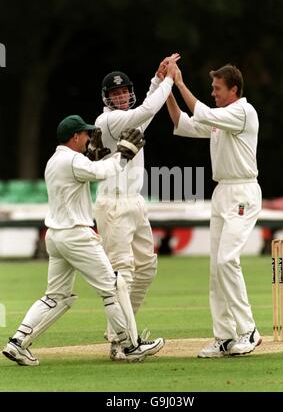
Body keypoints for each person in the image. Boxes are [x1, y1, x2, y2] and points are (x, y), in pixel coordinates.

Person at [2, 114, 164, 366]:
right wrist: (124, 153)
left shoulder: (54, 160)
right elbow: (103, 172)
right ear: (75, 136)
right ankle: (130, 345)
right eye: (86, 134)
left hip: (55, 236)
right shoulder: (73, 160)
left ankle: (17, 343)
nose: (90, 139)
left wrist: (94, 159)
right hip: (77, 235)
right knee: (113, 287)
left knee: (56, 296)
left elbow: (88, 171)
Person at [165, 63, 262, 358]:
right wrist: (167, 88)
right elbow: (183, 123)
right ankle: (224, 336)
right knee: (215, 269)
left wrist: (180, 84)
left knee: (227, 260)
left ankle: (249, 331)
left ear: (234, 90)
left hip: (243, 191)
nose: (213, 93)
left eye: (217, 89)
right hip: (222, 192)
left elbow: (202, 112)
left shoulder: (243, 112)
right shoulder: (221, 119)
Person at [93, 54, 179, 360]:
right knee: (122, 274)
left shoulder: (131, 116)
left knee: (146, 269)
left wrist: (156, 79)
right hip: (114, 204)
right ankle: (125, 343)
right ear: (107, 99)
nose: (120, 96)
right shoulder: (109, 120)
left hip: (135, 203)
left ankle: (119, 331)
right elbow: (147, 109)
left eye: (123, 91)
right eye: (114, 94)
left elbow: (145, 113)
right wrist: (171, 80)